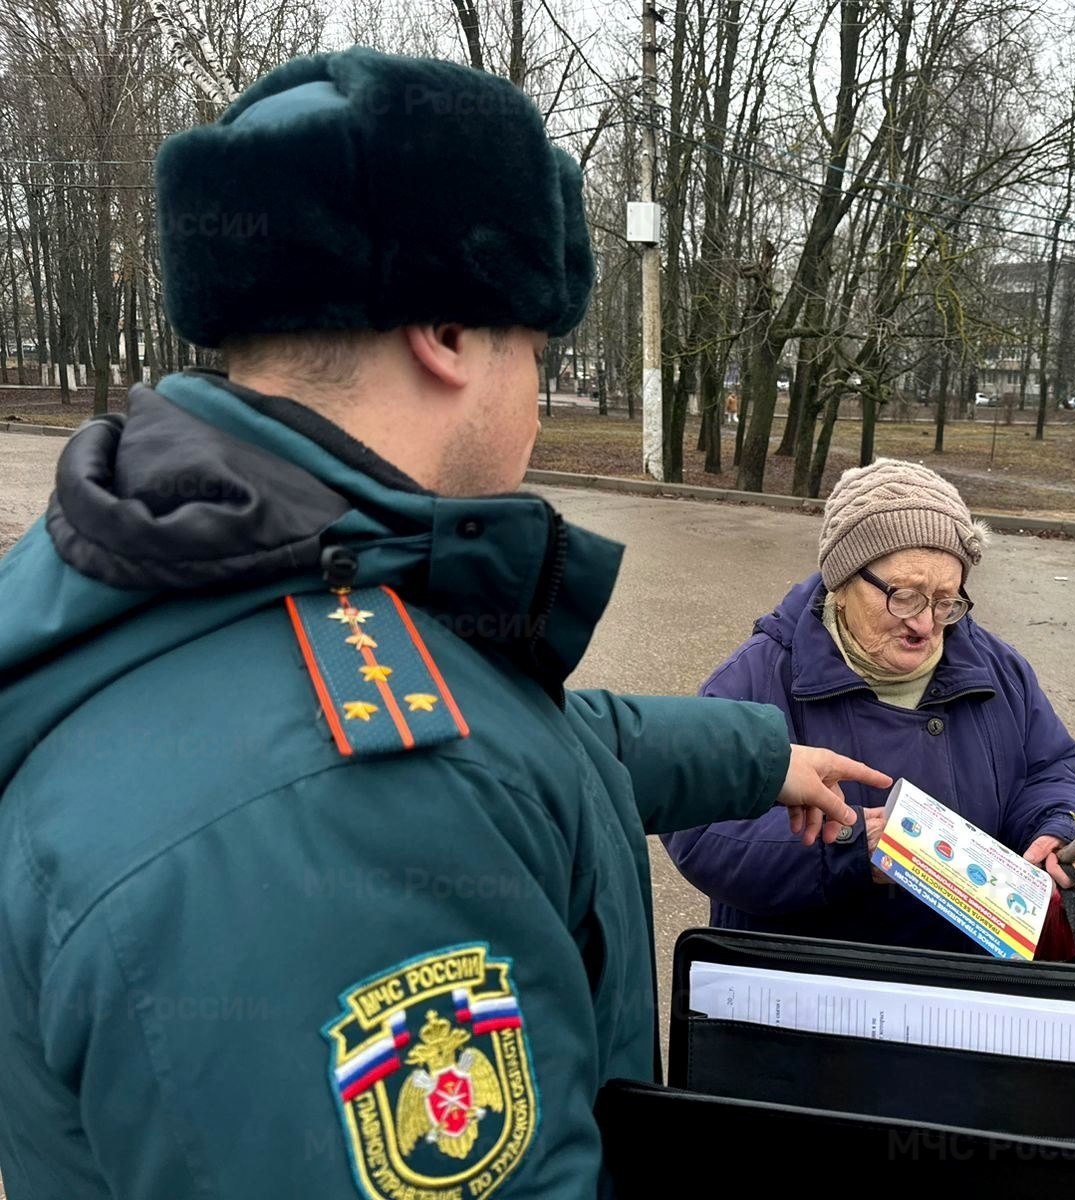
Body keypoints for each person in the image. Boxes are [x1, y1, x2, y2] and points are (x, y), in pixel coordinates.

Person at [0, 49, 884, 1200]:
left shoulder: (214, 554)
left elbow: (512, 738)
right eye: (537, 347)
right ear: (450, 333)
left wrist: (759, 756)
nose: (535, 395)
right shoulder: (358, 819)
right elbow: (410, 767)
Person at [663, 459, 1075, 959]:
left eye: (945, 601)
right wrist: (852, 850)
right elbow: (702, 832)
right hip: (811, 987)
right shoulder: (757, 678)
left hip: (968, 987)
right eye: (906, 597)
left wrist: (1057, 828)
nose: (926, 625)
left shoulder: (999, 669)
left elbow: (1049, 772)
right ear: (843, 581)